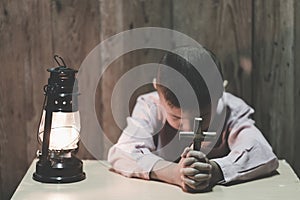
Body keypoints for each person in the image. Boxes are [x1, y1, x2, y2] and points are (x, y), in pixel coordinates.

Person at [108, 46, 278, 193]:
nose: (189, 129)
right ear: (157, 91)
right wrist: (174, 173)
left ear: (221, 92)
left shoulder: (231, 109)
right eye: (176, 117)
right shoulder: (150, 106)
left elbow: (261, 152)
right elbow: (122, 152)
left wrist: (214, 170)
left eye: (201, 118)